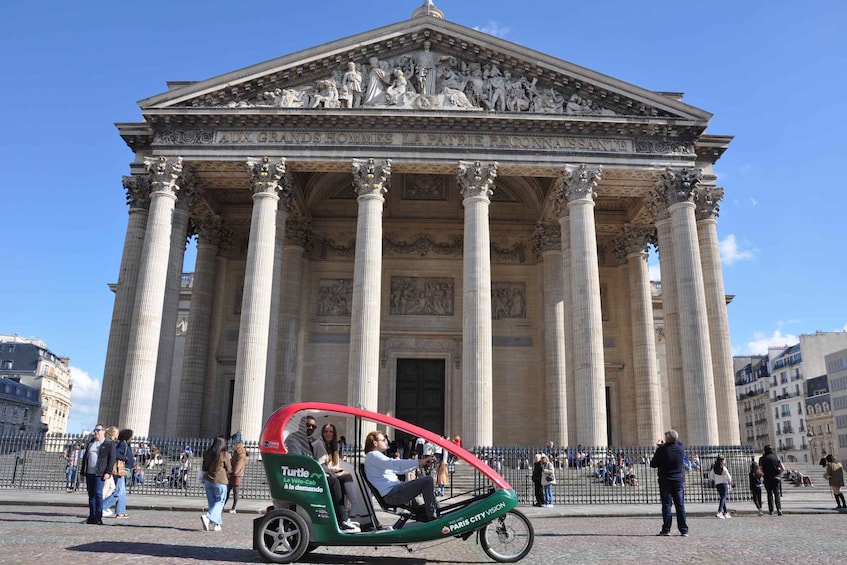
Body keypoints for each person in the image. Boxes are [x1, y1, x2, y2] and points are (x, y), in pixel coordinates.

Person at [285, 415, 360, 533]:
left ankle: (345, 516)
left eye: (313, 426)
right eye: (307, 425)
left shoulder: (311, 439)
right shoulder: (293, 439)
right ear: (300, 425)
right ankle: (342, 521)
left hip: (313, 472)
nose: (310, 428)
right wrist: (319, 472)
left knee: (340, 480)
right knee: (334, 482)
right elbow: (299, 460)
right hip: (302, 474)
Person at [364, 430, 439, 522]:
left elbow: (398, 470)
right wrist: (420, 461)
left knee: (422, 504)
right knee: (427, 481)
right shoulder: (373, 455)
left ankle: (430, 513)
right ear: (375, 443)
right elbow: (396, 464)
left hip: (395, 492)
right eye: (383, 440)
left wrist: (420, 464)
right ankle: (432, 517)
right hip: (393, 493)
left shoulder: (375, 457)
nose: (386, 441)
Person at [312, 422, 369, 525]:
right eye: (326, 431)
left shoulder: (333, 446)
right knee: (343, 478)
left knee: (345, 477)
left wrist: (339, 472)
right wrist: (335, 473)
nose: (328, 434)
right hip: (321, 474)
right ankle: (347, 514)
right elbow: (320, 464)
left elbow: (334, 465)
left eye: (331, 432)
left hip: (329, 473)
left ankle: (348, 512)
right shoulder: (320, 443)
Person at [650, 429, 689, 536]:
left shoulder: (662, 450)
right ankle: (684, 530)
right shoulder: (681, 448)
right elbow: (677, 442)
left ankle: (666, 529)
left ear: (667, 439)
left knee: (667, 505)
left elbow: (653, 464)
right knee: (680, 505)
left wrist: (661, 447)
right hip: (678, 481)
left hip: (665, 481)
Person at [80, 424, 115, 525]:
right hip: (89, 472)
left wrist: (108, 472)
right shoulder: (91, 443)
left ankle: (98, 517)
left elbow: (112, 459)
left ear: (103, 431)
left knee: (98, 493)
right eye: (95, 430)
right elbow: (85, 458)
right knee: (91, 495)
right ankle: (92, 516)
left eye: (98, 430)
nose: (95, 432)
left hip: (100, 473)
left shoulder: (109, 443)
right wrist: (82, 472)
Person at [200, 436, 231, 532]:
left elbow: (204, 467)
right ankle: (208, 517)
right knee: (220, 502)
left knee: (212, 503)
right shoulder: (224, 454)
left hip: (208, 480)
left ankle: (216, 524)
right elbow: (229, 468)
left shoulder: (208, 453)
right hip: (220, 481)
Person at [102, 428, 134, 519]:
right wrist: (126, 458)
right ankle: (101, 507)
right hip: (120, 470)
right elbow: (116, 454)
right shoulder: (122, 444)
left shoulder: (126, 444)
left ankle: (121, 512)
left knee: (122, 493)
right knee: (118, 492)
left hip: (124, 469)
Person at [759, 444, 785, 516]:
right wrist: (778, 472)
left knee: (769, 494)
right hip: (776, 477)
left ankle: (771, 510)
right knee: (777, 494)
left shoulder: (762, 458)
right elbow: (783, 468)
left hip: (767, 478)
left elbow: (760, 470)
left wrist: (763, 474)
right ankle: (779, 509)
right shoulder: (776, 457)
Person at [225, 431, 246, 514]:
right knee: (227, 490)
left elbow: (238, 466)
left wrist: (231, 471)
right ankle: (223, 505)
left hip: (237, 475)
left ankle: (234, 507)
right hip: (232, 474)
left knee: (235, 491)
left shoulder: (241, 454)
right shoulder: (236, 453)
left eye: (234, 443)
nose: (232, 445)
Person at [709, 455, 733, 519]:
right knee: (723, 498)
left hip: (717, 484)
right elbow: (729, 477)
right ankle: (719, 511)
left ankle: (725, 512)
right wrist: (730, 482)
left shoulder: (714, 468)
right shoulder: (724, 468)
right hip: (724, 484)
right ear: (722, 461)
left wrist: (716, 479)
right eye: (724, 460)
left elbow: (711, 476)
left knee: (722, 498)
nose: (725, 461)